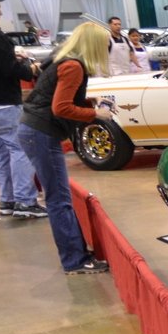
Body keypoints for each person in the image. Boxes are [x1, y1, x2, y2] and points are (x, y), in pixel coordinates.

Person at [16, 22, 113, 274]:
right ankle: (75, 261)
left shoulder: (62, 60)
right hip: (42, 133)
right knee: (59, 199)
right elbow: (61, 108)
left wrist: (91, 102)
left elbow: (55, 99)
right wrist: (96, 114)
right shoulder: (73, 66)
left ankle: (76, 256)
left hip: (35, 130)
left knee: (59, 197)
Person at [0, 0, 45, 219]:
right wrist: (31, 69)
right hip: (4, 104)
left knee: (0, 155)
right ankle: (25, 201)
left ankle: (7, 200)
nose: (0, 12)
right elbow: (10, 70)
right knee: (20, 150)